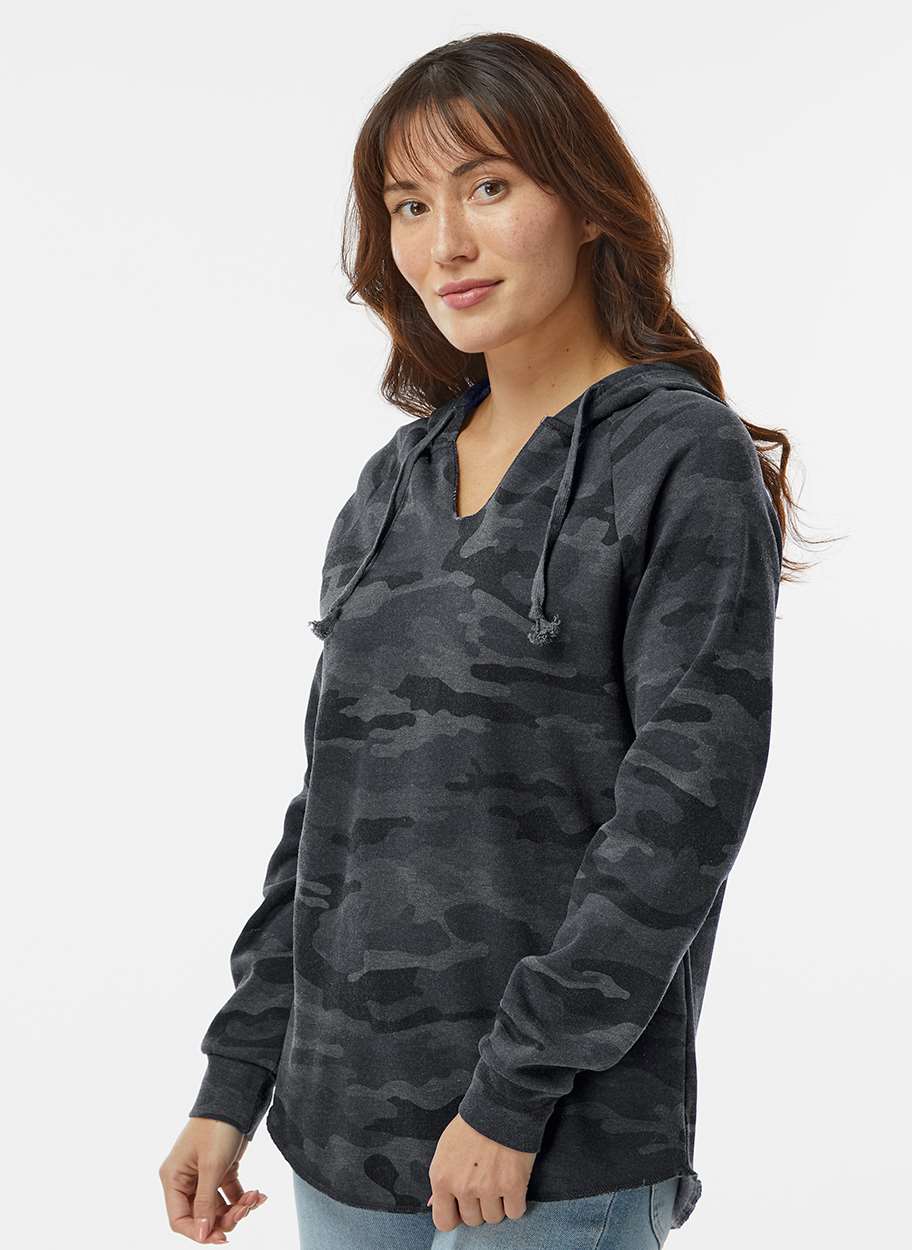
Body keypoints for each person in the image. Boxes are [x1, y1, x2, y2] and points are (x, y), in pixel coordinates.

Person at [159, 30, 807, 1250]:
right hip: (338, 1140)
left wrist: (514, 1093)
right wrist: (233, 1076)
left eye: (488, 186)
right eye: (408, 204)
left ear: (588, 201)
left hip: (544, 1152)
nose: (443, 242)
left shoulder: (678, 457)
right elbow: (332, 803)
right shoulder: (392, 481)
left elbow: (681, 814)